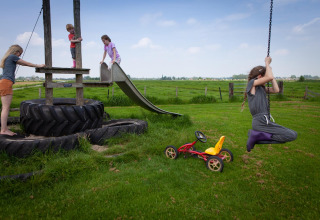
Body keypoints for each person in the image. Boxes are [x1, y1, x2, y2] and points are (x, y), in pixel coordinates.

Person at [242, 56, 297, 152]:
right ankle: (256, 136)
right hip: (260, 121)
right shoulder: (252, 84)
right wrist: (267, 63)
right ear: (259, 77)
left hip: (264, 120)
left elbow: (276, 90)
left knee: (292, 135)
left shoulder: (262, 88)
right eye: (264, 76)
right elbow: (269, 77)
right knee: (290, 135)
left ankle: (256, 137)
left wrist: (270, 73)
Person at [0, 45, 45, 136]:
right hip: (6, 83)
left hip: (4, 82)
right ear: (16, 51)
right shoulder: (12, 56)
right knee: (6, 108)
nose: (19, 56)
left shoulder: (7, 58)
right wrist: (38, 65)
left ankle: (4, 129)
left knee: (5, 108)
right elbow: (25, 63)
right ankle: (4, 130)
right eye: (20, 53)